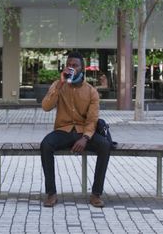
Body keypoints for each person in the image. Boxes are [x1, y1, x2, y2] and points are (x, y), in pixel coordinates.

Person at [40, 51, 111, 208]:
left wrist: (85, 138)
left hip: (83, 132)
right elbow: (46, 107)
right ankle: (51, 194)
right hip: (63, 130)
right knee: (46, 144)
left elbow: (92, 119)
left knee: (105, 146)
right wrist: (60, 84)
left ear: (82, 68)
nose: (71, 68)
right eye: (69, 65)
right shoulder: (58, 85)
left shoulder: (91, 91)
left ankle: (96, 194)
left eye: (75, 65)